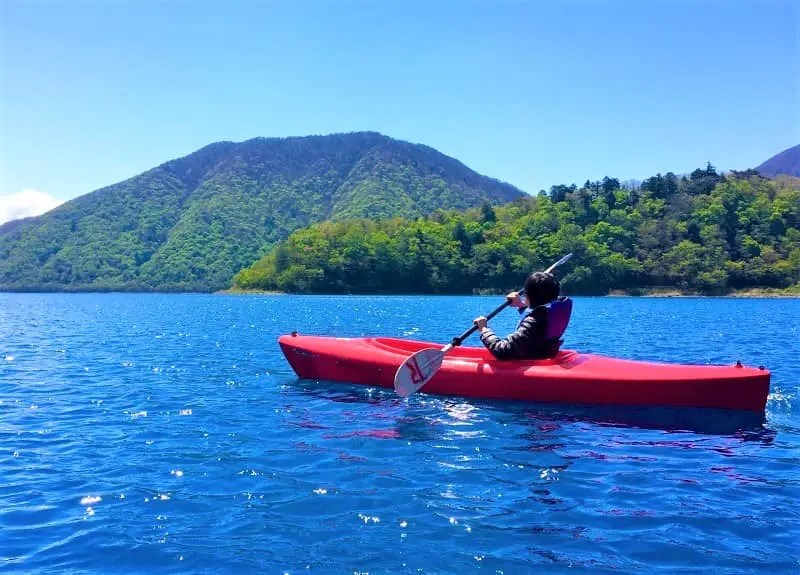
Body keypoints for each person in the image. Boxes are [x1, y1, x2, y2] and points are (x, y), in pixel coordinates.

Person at [473, 271, 572, 360]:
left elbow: (502, 351)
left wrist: (484, 330)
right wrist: (521, 304)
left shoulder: (534, 323)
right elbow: (540, 312)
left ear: (527, 295)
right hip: (541, 356)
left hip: (529, 364)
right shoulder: (551, 313)